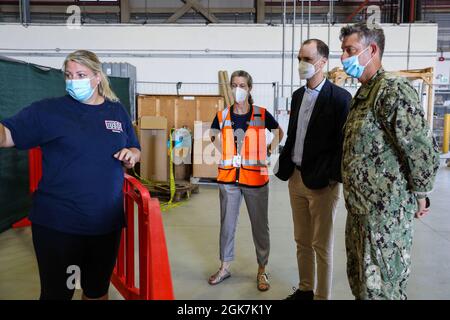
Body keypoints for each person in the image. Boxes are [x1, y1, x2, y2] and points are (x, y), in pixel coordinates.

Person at [0, 50, 141, 300]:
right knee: (57, 294)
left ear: (97, 78)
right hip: (58, 225)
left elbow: (134, 147)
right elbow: (8, 135)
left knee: (97, 292)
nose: (73, 80)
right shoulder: (49, 111)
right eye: (68, 75)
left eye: (81, 75)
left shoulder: (116, 112)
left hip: (105, 224)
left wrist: (132, 153)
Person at [339, 23, 440, 300]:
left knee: (383, 290)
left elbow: (419, 147)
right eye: (343, 50)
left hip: (385, 217)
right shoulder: (363, 95)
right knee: (361, 286)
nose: (344, 57)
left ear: (372, 50)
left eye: (351, 50)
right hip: (360, 212)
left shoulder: (392, 90)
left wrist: (421, 193)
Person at [275, 39, 351, 300]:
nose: (301, 64)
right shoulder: (298, 96)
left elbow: (343, 145)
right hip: (296, 178)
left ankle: (322, 296)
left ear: (322, 62)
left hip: (323, 184)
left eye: (307, 59)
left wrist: (331, 177)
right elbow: (296, 133)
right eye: (299, 58)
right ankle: (306, 289)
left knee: (322, 245)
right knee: (302, 241)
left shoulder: (340, 98)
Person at [208, 70, 284, 291]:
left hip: (256, 180)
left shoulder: (261, 114)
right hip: (229, 179)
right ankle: (224, 267)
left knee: (260, 227)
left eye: (242, 85)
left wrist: (269, 151)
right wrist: (222, 150)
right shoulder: (222, 115)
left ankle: (262, 269)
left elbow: (279, 132)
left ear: (250, 88)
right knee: (227, 225)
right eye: (234, 85)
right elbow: (212, 133)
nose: (237, 89)